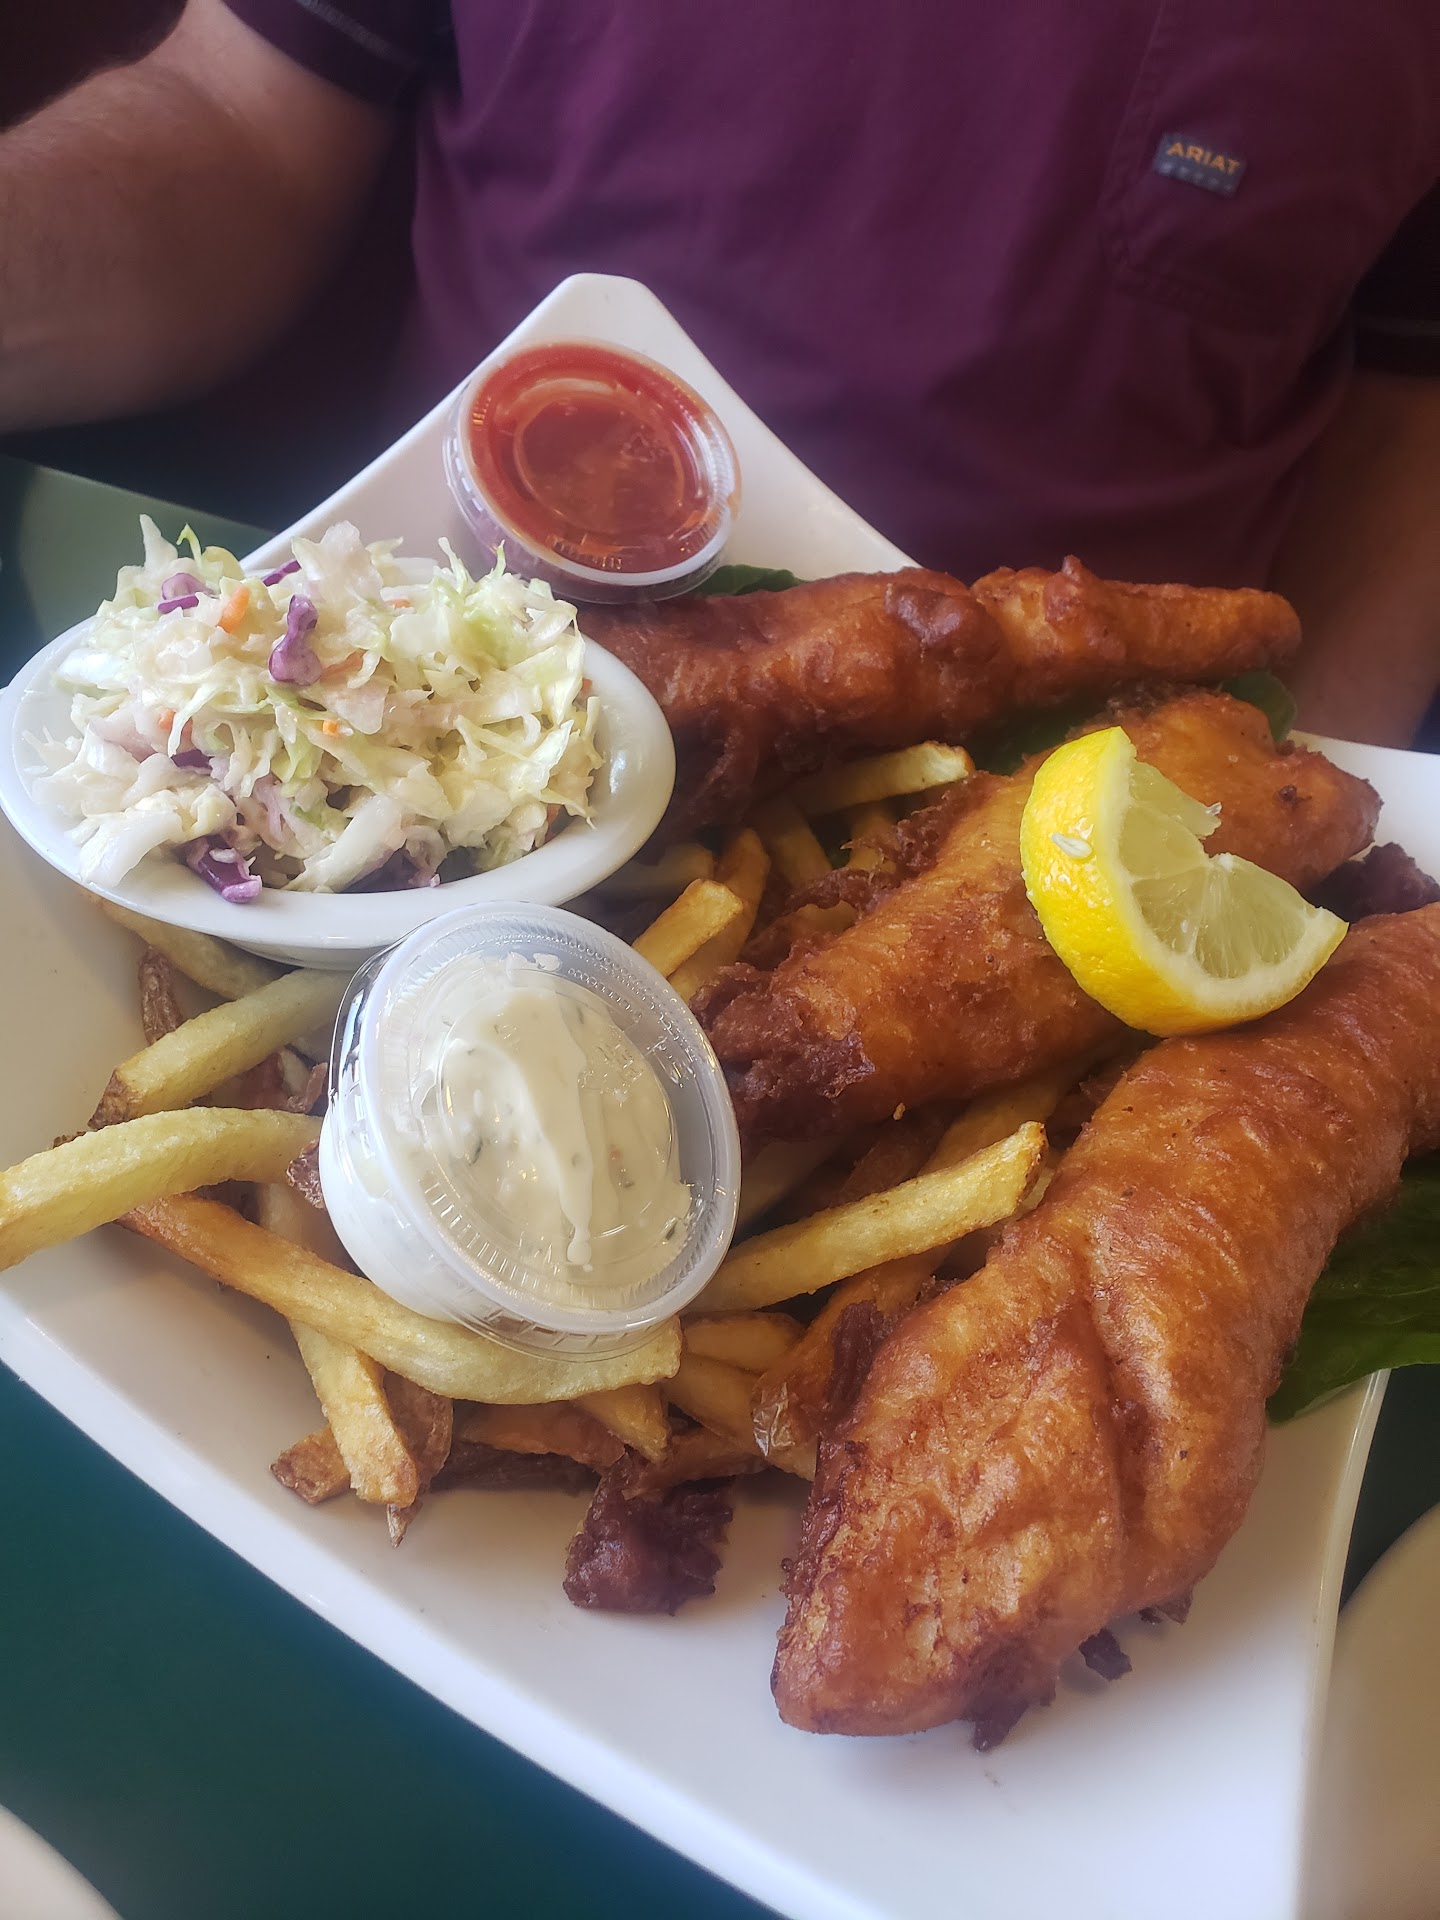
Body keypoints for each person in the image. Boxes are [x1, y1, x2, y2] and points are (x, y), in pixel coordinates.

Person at [1, 0, 1437, 743]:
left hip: (1090, 819)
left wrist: (1301, 787)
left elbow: (1414, 410)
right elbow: (232, 124)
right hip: (436, 687)